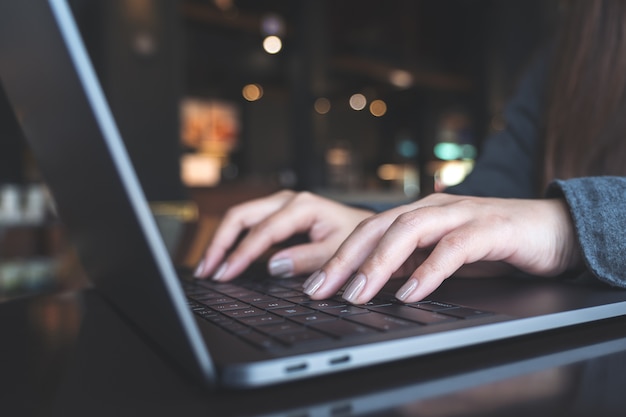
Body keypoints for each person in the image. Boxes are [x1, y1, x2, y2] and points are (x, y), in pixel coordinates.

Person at [194, 0, 626, 305]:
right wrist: (374, 223)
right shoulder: (573, 49)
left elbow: (522, 217)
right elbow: (489, 193)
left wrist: (566, 227)